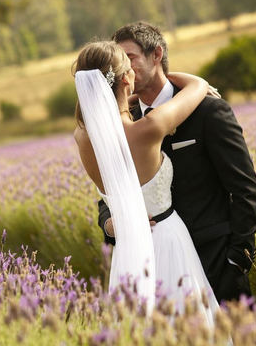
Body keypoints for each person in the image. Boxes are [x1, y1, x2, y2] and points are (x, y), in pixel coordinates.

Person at [98, 22, 256, 302]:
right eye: (121, 61)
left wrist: (238, 256)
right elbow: (109, 192)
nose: (125, 69)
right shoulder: (124, 121)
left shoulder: (209, 110)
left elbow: (244, 188)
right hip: (152, 265)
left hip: (214, 259)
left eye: (131, 58)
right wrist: (110, 224)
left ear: (156, 54)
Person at [73, 40, 219, 325]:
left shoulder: (82, 138)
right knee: (188, 327)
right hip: (167, 239)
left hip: (127, 249)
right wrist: (163, 76)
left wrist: (122, 96)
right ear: (126, 78)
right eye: (129, 69)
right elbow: (197, 86)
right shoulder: (150, 128)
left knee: (139, 330)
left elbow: (105, 112)